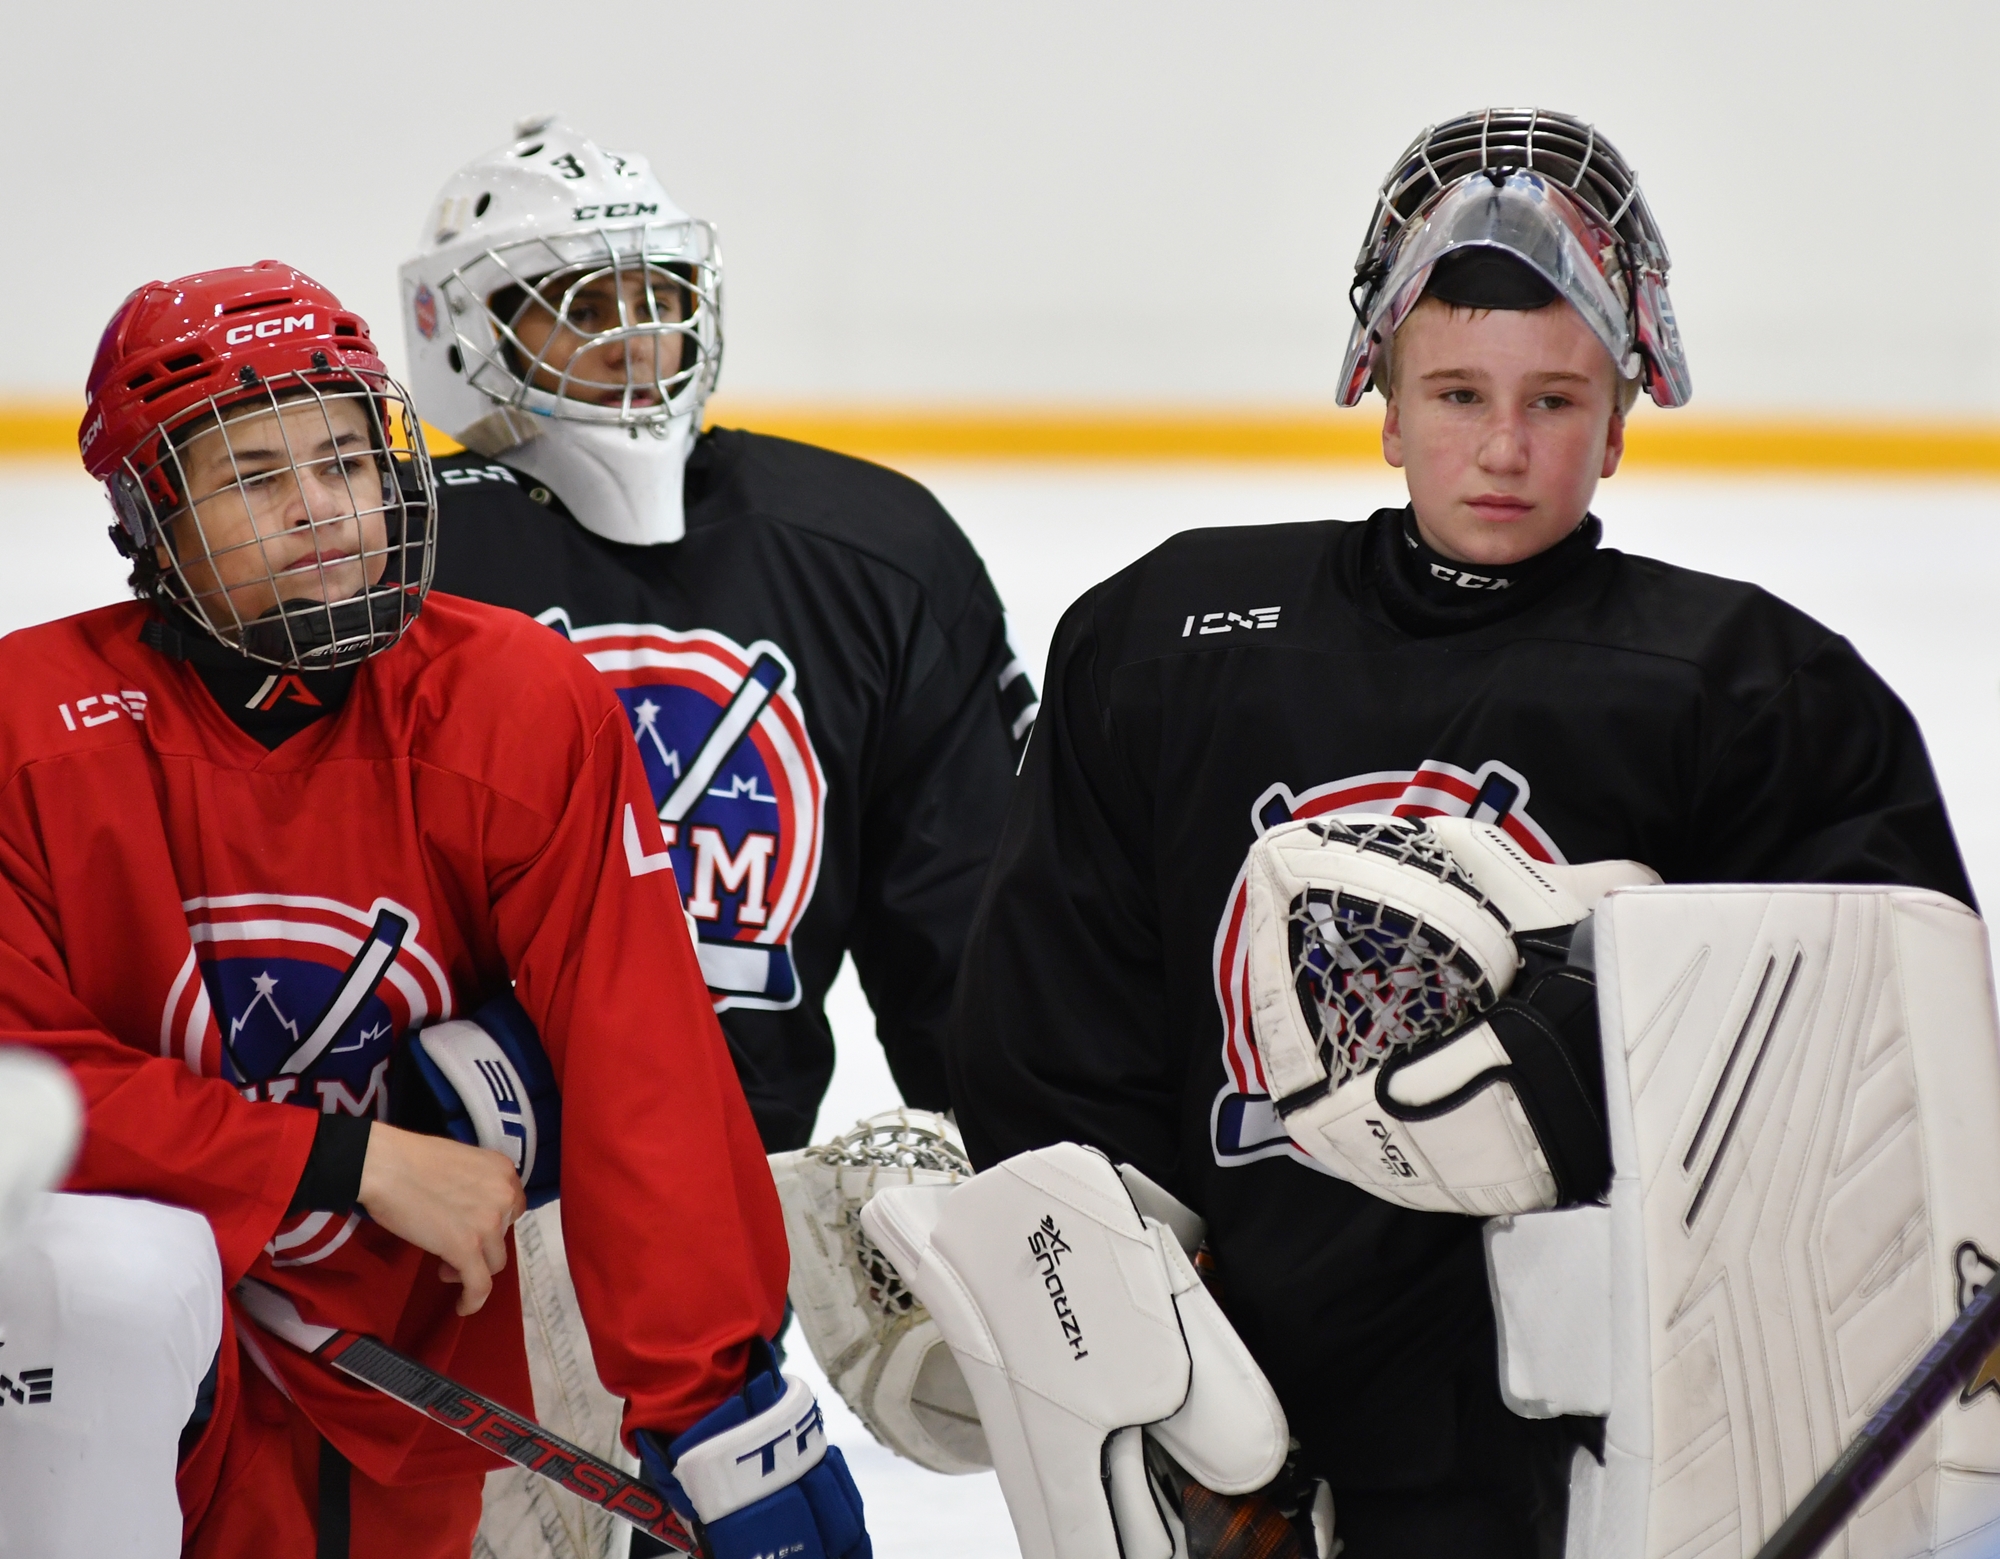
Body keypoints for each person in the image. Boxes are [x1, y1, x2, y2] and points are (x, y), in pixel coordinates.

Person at [944, 107, 1975, 1559]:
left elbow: (1889, 1048)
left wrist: (1589, 1034)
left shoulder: (1755, 687)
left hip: (1611, 1444)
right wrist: (1159, 1390)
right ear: (1381, 396)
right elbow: (1048, 1039)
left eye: (1556, 400)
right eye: (1456, 393)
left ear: (1624, 413)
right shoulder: (1169, 640)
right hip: (1250, 1414)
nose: (1504, 448)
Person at [0, 261, 870, 1559]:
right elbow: (22, 1085)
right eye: (256, 478)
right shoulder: (28, 728)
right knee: (115, 1280)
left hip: (437, 1317)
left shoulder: (515, 697)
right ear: (152, 515)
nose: (321, 512)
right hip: (134, 1358)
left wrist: (720, 1403)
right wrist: (340, 1159)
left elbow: (641, 1058)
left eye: (346, 463)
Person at [401, 116, 1034, 1156]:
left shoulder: (875, 550)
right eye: (584, 306)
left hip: (730, 1190)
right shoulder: (393, 550)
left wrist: (1016, 1174)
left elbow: (963, 932)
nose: (634, 341)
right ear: (466, 329)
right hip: (424, 1180)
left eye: (657, 298)